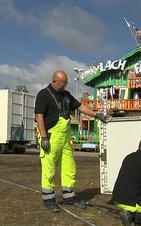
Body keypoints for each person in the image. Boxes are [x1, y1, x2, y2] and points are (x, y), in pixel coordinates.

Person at [35, 70, 107, 212]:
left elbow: (80, 107)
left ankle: (69, 197)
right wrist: (43, 137)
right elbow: (39, 116)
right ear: (54, 81)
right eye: (62, 84)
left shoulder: (66, 96)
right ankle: (49, 200)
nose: (64, 87)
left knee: (69, 168)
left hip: (65, 138)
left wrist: (96, 115)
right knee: (49, 169)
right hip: (51, 136)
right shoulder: (43, 94)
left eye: (65, 84)